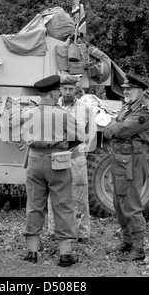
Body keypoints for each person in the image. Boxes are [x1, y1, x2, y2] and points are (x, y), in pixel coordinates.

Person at [21, 74, 86, 267]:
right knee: (63, 205)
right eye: (58, 90)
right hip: (57, 162)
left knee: (34, 205)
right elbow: (80, 137)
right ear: (52, 92)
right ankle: (65, 254)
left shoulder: (28, 113)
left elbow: (23, 137)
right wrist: (64, 144)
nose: (60, 93)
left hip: (34, 161)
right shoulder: (63, 114)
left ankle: (32, 251)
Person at [103, 74, 149, 261]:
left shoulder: (144, 112)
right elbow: (111, 129)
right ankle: (128, 242)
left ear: (139, 91)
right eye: (124, 88)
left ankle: (139, 249)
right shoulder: (127, 108)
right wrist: (115, 127)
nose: (125, 91)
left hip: (131, 161)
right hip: (119, 159)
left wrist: (115, 127)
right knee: (118, 203)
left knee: (131, 204)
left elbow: (121, 130)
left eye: (129, 89)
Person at [47, 78, 93, 244]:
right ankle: (54, 231)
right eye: (64, 89)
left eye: (70, 89)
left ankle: (81, 232)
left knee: (79, 196)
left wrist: (82, 153)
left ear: (76, 90)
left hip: (77, 157)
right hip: (57, 158)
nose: (67, 92)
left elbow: (90, 134)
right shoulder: (52, 107)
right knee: (56, 195)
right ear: (60, 90)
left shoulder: (86, 109)